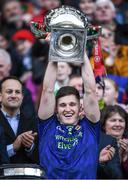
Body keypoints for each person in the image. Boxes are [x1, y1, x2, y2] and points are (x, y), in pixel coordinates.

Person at [38, 52, 100, 179]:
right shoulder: (47, 126)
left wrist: (81, 51)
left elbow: (90, 91)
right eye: (62, 105)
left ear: (80, 108)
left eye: (72, 104)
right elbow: (47, 90)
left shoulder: (90, 127)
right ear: (55, 109)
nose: (68, 109)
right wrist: (55, 48)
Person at [0, 76, 38, 164]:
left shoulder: (32, 121)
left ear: (22, 97)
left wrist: (29, 147)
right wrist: (13, 147)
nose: (13, 95)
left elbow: (39, 157)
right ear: (0, 96)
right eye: (9, 92)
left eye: (17, 92)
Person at [101, 105, 128, 178]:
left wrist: (125, 159)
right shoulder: (96, 144)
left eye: (121, 121)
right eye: (113, 120)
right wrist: (101, 162)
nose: (118, 124)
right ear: (103, 124)